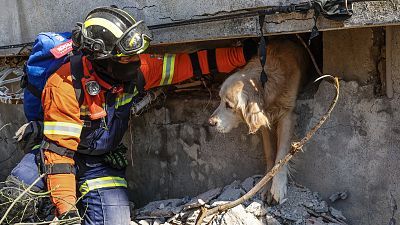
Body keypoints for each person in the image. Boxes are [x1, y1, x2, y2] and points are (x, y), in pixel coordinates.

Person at [1, 6, 258, 225]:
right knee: (16, 195)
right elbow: (59, 158)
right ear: (102, 60)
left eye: (136, 55)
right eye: (127, 58)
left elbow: (187, 65)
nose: (137, 61)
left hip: (97, 162)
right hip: (56, 155)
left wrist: (242, 54)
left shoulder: (137, 70)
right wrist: (67, 213)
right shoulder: (65, 85)